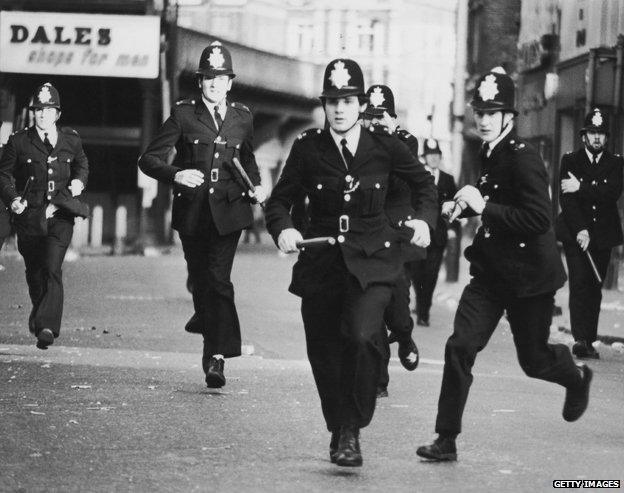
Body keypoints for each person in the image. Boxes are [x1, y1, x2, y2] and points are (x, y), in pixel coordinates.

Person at [265, 59, 437, 467]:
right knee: (323, 350)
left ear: (360, 104)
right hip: (322, 264)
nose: (339, 109)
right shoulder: (308, 148)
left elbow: (424, 185)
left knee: (362, 338)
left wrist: (425, 222)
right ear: (324, 105)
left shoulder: (385, 147)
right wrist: (283, 229)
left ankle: (350, 430)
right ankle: (339, 425)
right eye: (332, 101)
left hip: (374, 262)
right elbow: (279, 201)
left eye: (347, 100)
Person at [416, 67, 593, 462]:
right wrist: (461, 207)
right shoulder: (490, 150)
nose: (482, 118)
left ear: (508, 118)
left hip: (530, 278)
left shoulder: (524, 157)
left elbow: (538, 218)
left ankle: (575, 376)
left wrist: (484, 207)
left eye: (492, 112)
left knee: (534, 361)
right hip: (491, 274)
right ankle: (446, 438)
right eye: (480, 110)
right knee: (460, 345)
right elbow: (494, 196)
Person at [138, 41, 267, 389]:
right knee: (200, 279)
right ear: (201, 82)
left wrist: (256, 185)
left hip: (230, 210)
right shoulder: (183, 114)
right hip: (193, 210)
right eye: (208, 77)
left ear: (229, 82)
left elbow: (249, 160)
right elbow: (148, 159)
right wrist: (175, 173)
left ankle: (217, 358)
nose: (214, 83)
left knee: (218, 279)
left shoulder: (243, 117)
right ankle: (206, 315)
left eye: (220, 77)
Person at [0, 83, 89, 349]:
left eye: (48, 110)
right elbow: (4, 174)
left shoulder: (71, 140)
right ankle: (40, 314)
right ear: (33, 113)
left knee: (52, 267)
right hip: (29, 217)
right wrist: (13, 199)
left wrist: (78, 183)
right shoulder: (18, 141)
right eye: (38, 110)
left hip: (61, 214)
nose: (42, 115)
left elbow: (82, 164)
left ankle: (47, 326)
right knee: (35, 272)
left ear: (57, 114)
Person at [361, 84, 422, 398]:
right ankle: (378, 379)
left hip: (397, 238)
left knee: (398, 311)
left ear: (394, 118)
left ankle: (405, 336)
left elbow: (406, 181)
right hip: (367, 239)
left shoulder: (406, 143)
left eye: (382, 117)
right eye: (370, 117)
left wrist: (391, 139)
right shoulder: (357, 145)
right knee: (373, 308)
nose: (375, 123)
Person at [556, 108, 623, 359]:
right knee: (579, 284)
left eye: (601, 134)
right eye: (592, 133)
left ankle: (590, 339)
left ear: (606, 138)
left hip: (603, 236)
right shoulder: (570, 161)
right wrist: (581, 229)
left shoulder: (616, 163)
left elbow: (610, 194)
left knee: (595, 287)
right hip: (575, 234)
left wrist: (581, 186)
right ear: (584, 136)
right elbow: (567, 199)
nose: (597, 138)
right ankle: (580, 339)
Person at [409, 138, 458, 327]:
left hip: (438, 236)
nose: (434, 159)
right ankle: (421, 303)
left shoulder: (447, 179)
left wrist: (453, 229)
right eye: (431, 156)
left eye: (437, 155)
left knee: (431, 274)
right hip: (418, 235)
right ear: (425, 157)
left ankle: (424, 311)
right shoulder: (417, 176)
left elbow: (454, 206)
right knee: (416, 273)